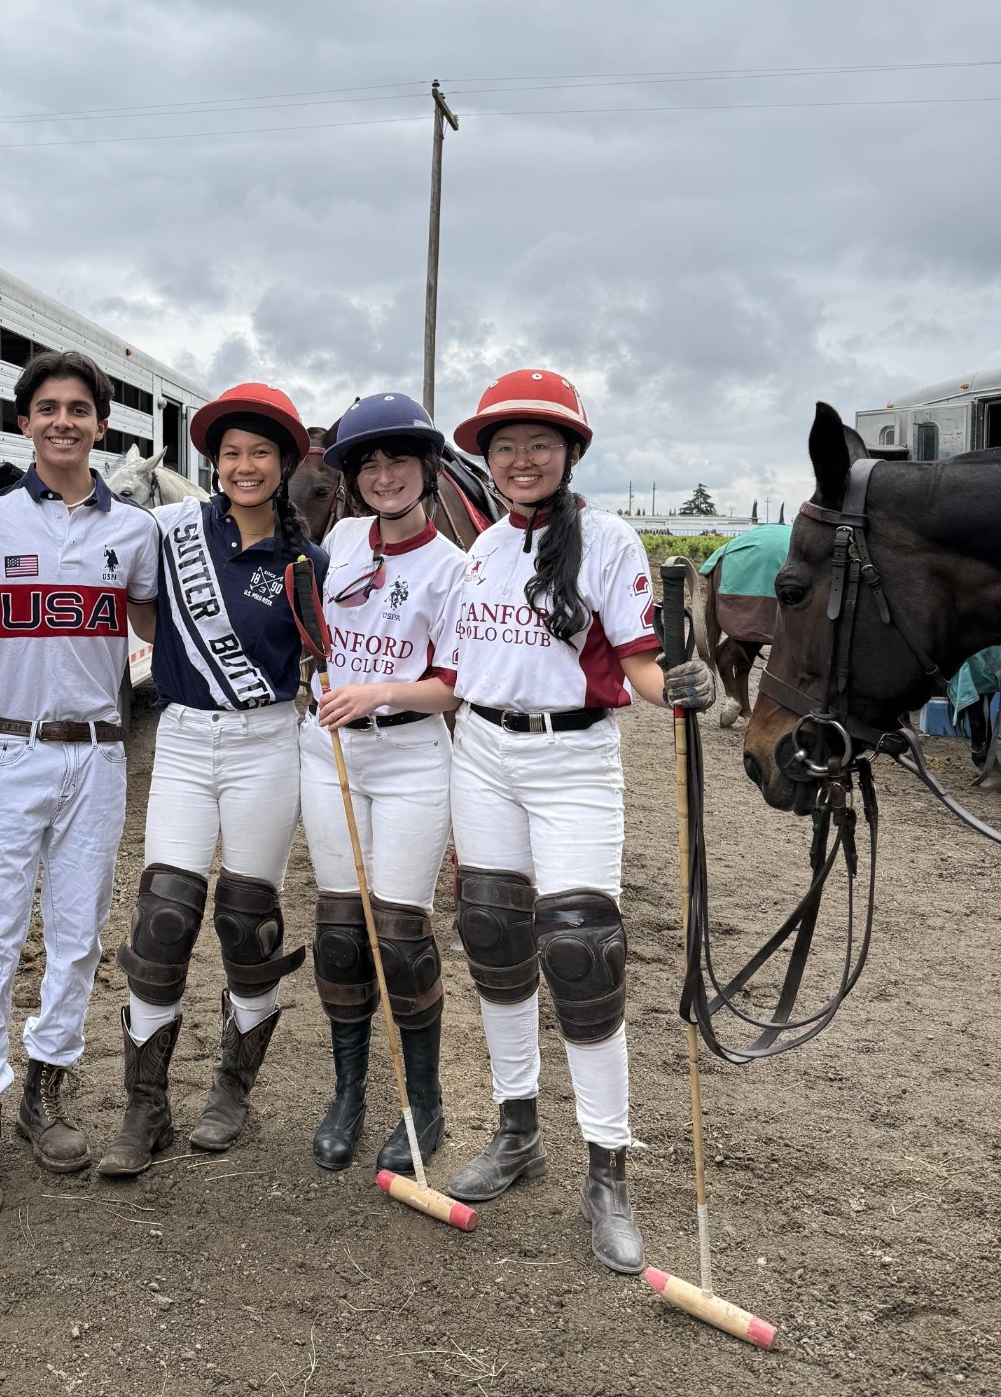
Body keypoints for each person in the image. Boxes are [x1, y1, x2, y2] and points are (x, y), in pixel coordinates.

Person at [439, 369, 715, 1273]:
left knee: (583, 952)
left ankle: (609, 1173)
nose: (521, 459)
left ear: (570, 453)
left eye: (540, 444)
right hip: (480, 754)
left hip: (571, 760)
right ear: (487, 458)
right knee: (491, 934)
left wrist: (674, 684)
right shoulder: (480, 548)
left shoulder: (607, 537)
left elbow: (637, 662)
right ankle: (517, 1131)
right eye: (505, 445)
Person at [0, 350, 159, 1223]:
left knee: (76, 935)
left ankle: (48, 1091)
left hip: (99, 754)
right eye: (47, 408)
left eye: (79, 409)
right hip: (4, 752)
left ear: (101, 426)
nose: (63, 421)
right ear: (24, 421)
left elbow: (149, 619)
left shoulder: (134, 531)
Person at [97, 384, 327, 1178]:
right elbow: (147, 615)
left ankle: (233, 1084)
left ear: (284, 465)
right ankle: (144, 1105)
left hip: (268, 742)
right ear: (213, 463)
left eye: (260, 453)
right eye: (231, 453)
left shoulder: (307, 560)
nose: (244, 465)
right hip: (187, 739)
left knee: (245, 921)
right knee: (162, 917)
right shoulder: (172, 529)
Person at [298, 393, 466, 1176]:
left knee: (399, 934)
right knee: (338, 929)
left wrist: (381, 691)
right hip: (329, 752)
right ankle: (347, 1093)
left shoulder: (452, 567)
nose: (384, 474)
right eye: (369, 462)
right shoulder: (336, 540)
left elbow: (454, 687)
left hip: (408, 755)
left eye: (399, 459)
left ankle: (423, 1105)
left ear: (425, 469)